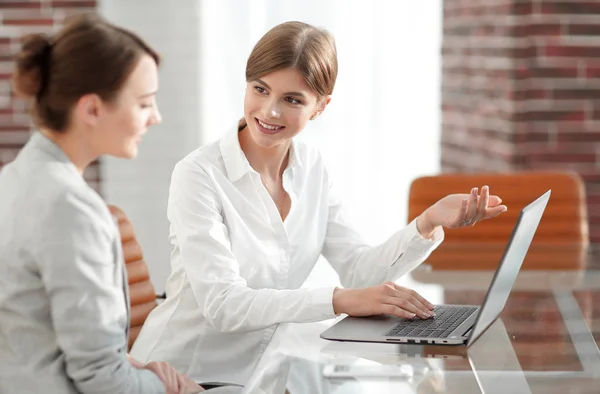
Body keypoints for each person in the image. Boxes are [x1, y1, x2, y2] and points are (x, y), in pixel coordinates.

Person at [130, 21, 507, 386]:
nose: (270, 111)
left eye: (292, 99)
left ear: (321, 106)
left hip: (259, 377)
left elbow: (358, 272)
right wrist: (340, 301)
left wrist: (426, 223)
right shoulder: (198, 175)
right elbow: (224, 305)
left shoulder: (312, 168)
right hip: (183, 374)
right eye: (260, 90)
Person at [0, 13, 203, 394]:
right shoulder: (71, 209)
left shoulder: (14, 178)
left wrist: (138, 369)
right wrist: (175, 389)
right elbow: (102, 381)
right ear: (92, 109)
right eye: (144, 104)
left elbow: (47, 333)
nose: (156, 118)